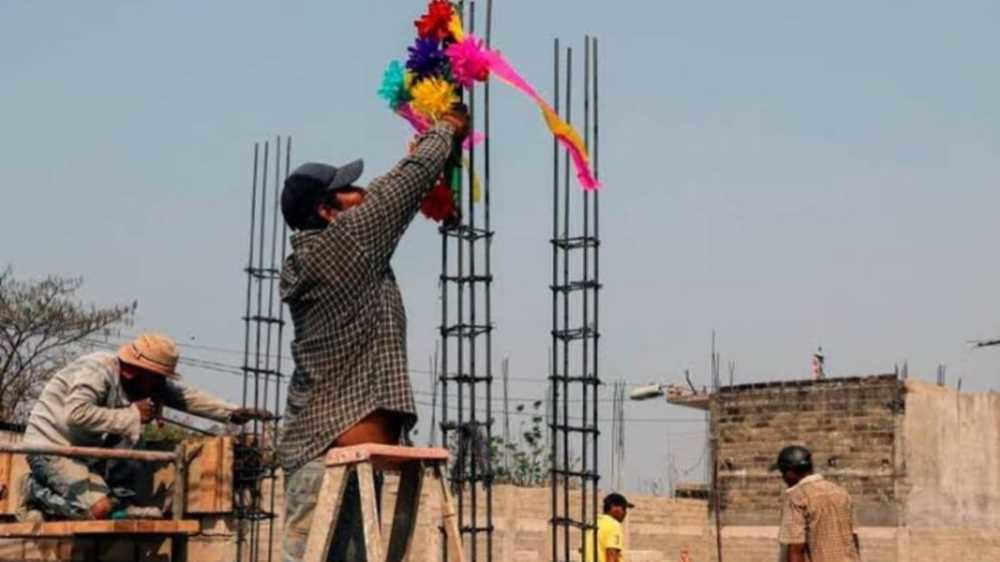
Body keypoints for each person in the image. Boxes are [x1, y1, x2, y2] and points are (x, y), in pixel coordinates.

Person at [278, 104, 470, 562]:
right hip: (327, 462)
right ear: (326, 211)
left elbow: (402, 187)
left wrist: (435, 169)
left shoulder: (338, 252)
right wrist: (445, 128)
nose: (360, 192)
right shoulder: (342, 245)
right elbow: (400, 187)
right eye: (347, 190)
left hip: (341, 465)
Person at [18, 332, 269, 521]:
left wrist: (232, 412)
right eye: (158, 377)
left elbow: (185, 397)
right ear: (135, 371)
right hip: (51, 448)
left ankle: (122, 499)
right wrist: (132, 413)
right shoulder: (95, 371)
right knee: (100, 511)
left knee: (133, 430)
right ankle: (34, 491)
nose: (160, 384)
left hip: (86, 451)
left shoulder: (143, 382)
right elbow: (76, 414)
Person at [776, 445, 861, 562]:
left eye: (783, 473)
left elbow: (795, 548)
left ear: (790, 472)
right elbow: (853, 538)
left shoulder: (797, 496)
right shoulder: (841, 493)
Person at [584, 492, 634, 562]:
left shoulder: (593, 523)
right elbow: (611, 557)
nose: (625, 513)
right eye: (624, 509)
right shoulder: (613, 525)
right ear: (615, 507)